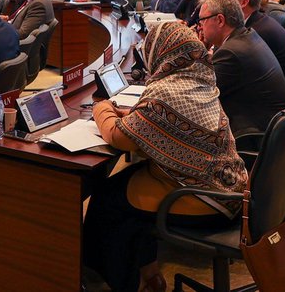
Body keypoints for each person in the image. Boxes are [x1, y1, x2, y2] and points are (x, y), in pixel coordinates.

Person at [84, 21, 248, 292]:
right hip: (229, 189)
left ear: (161, 51)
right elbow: (158, 123)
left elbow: (117, 136)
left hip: (204, 199)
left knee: (108, 201)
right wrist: (132, 117)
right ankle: (149, 275)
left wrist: (102, 107)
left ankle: (121, 283)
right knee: (125, 183)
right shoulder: (200, 79)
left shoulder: (166, 92)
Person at [197, 0, 285, 134]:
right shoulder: (246, 35)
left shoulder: (231, 53)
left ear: (220, 20)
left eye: (202, 20)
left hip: (253, 133)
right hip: (269, 123)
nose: (200, 27)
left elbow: (199, 93)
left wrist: (196, 53)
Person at [220, 0, 285, 94]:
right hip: (274, 88)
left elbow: (232, 70)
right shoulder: (258, 21)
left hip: (283, 95)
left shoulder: (256, 32)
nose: (221, 4)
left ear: (244, 2)